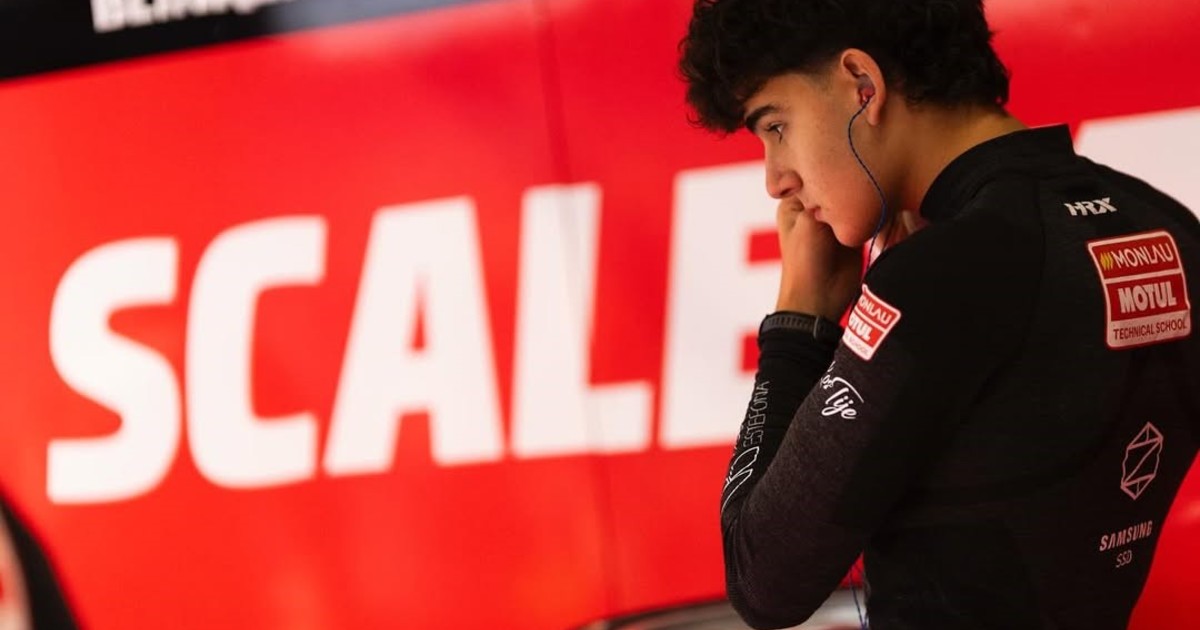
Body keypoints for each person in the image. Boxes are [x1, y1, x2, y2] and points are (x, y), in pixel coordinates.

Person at [677, 0, 1200, 628]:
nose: (775, 180)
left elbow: (764, 580)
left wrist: (798, 322)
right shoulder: (1170, 228)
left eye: (776, 125)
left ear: (862, 84)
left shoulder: (935, 278)